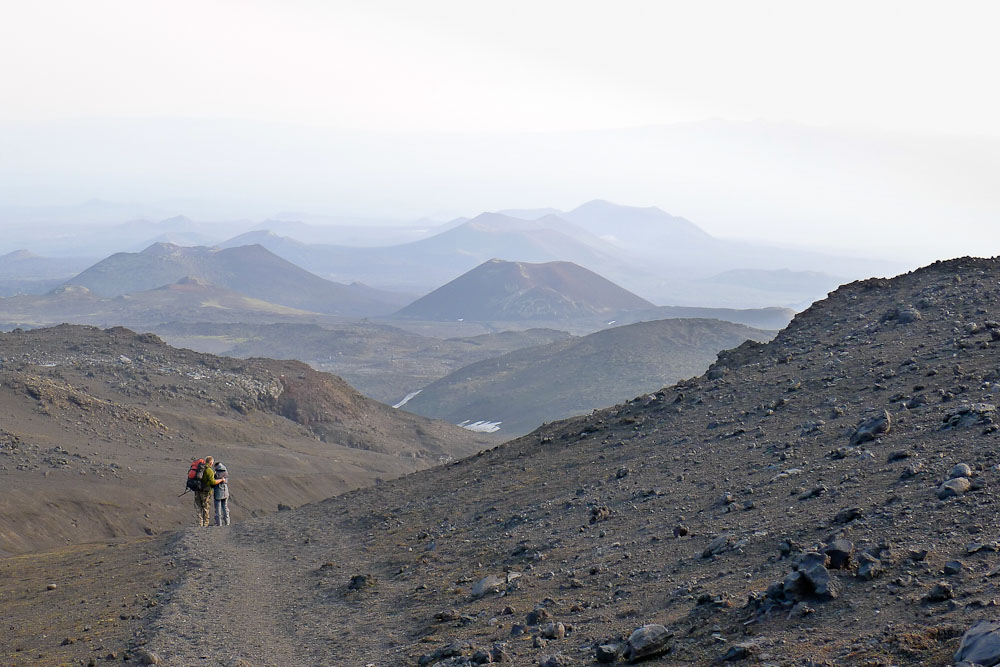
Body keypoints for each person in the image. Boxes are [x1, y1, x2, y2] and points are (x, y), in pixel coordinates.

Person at [195, 456, 223, 527]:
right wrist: (221, 480)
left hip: (197, 491)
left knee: (198, 508)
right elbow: (212, 482)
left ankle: (199, 524)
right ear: (210, 463)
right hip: (205, 492)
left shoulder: (199, 468)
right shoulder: (209, 470)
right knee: (205, 508)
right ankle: (205, 525)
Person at [213, 461, 231, 526]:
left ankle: (219, 524)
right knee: (225, 508)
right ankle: (227, 523)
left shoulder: (216, 473)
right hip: (225, 491)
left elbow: (214, 482)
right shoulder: (225, 471)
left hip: (218, 492)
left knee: (218, 509)